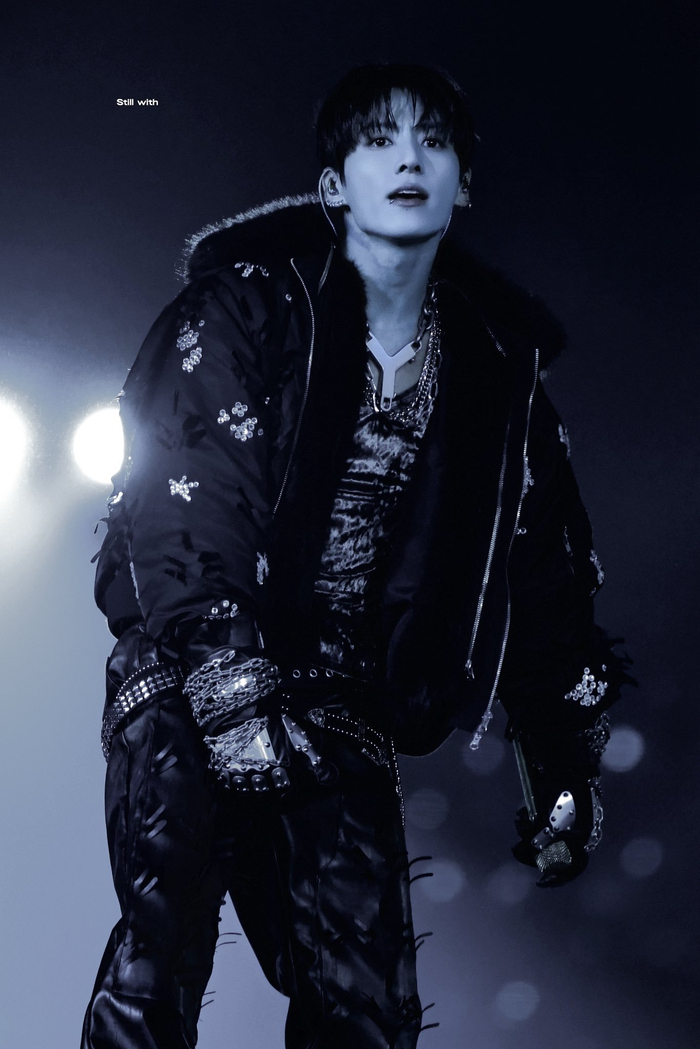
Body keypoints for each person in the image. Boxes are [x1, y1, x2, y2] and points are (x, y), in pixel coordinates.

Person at [81, 63, 628, 1049]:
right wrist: (230, 686)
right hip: (187, 668)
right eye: (379, 140)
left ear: (464, 183)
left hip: (342, 697)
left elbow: (542, 569)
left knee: (368, 1007)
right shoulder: (244, 305)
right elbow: (184, 489)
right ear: (333, 184)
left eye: (433, 141)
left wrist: (560, 759)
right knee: (160, 955)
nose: (409, 158)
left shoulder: (497, 377)